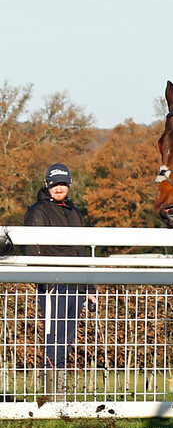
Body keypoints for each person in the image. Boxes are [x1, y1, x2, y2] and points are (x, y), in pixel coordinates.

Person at [24, 163, 92, 400]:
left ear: (69, 185)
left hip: (76, 284)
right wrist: (43, 279)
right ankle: (51, 392)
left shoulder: (74, 211)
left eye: (63, 183)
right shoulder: (38, 210)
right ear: (47, 185)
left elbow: (82, 249)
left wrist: (89, 287)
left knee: (68, 337)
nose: (59, 188)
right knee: (54, 336)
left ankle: (59, 392)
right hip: (52, 282)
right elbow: (32, 248)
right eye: (55, 183)